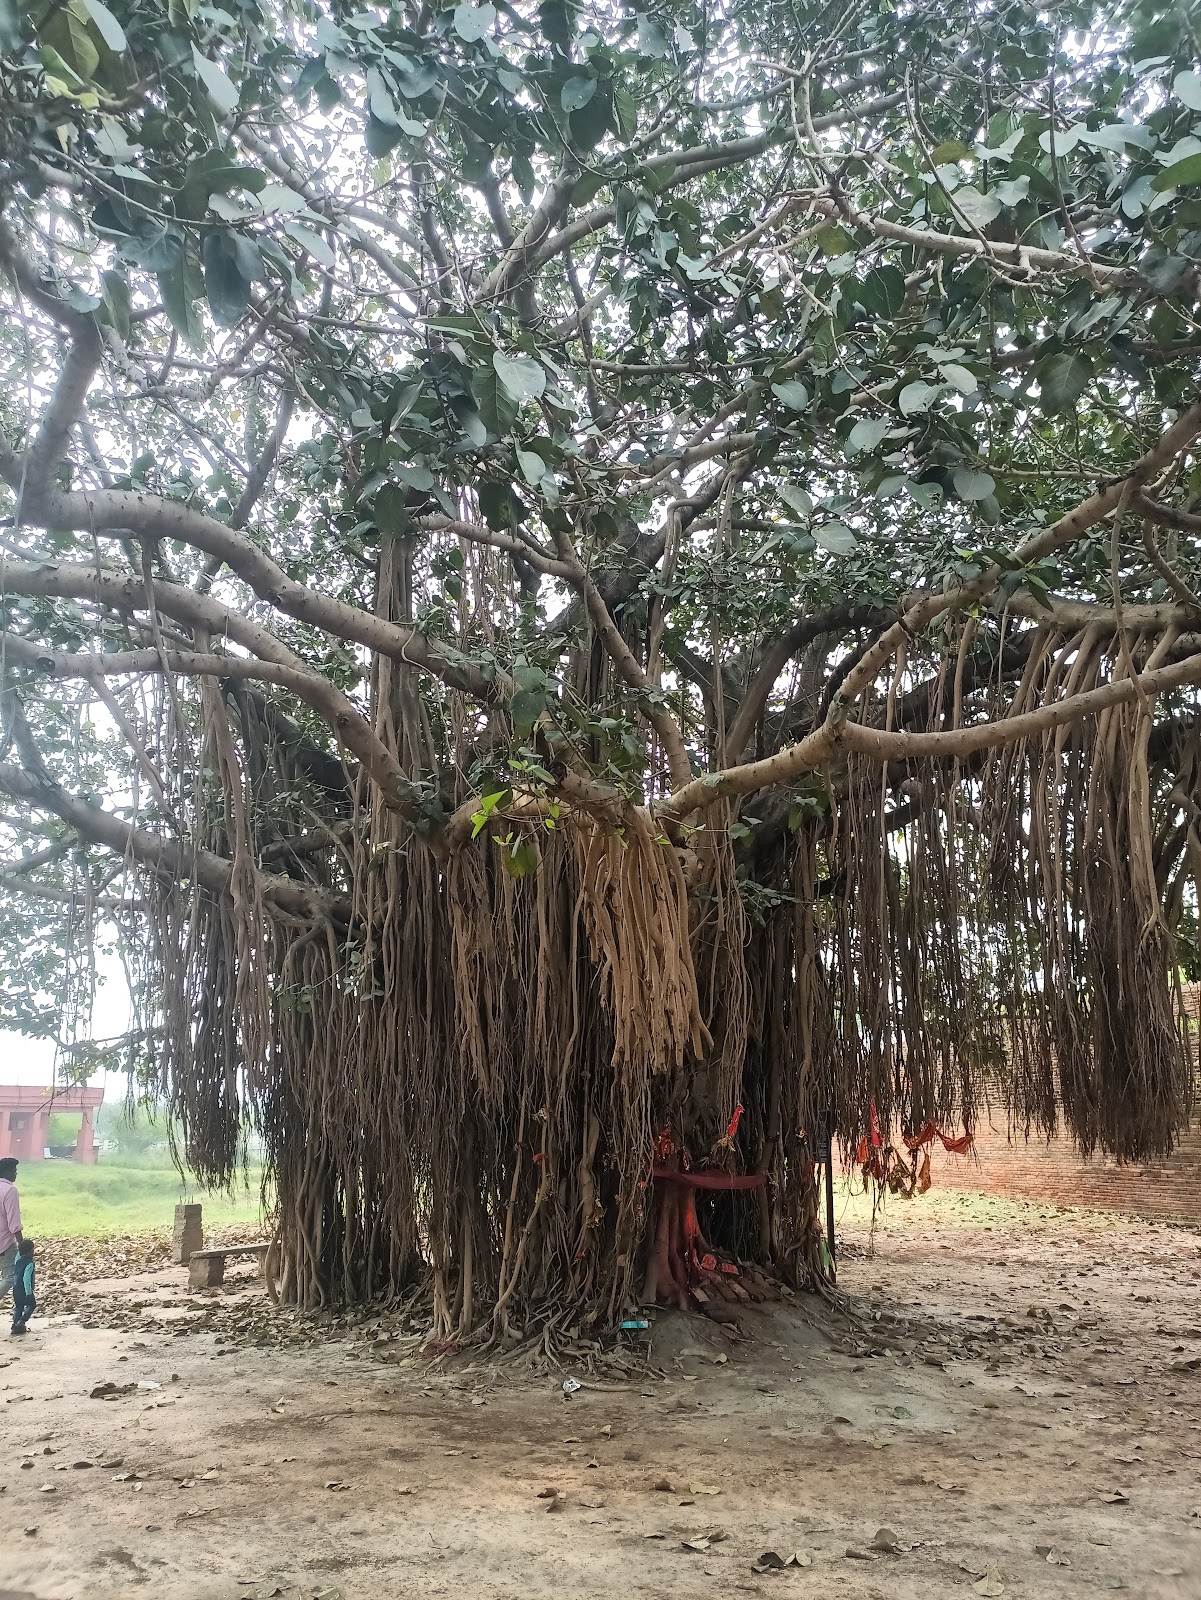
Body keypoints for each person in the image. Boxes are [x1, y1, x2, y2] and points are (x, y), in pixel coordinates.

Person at [0, 1157, 21, 1299]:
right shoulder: (10, 1190)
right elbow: (14, 1222)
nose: (15, 1174)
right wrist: (22, 1244)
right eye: (14, 1170)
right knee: (10, 1277)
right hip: (4, 1242)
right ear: (7, 1172)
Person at [10, 1239, 34, 1335]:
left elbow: (17, 1255)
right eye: (32, 1250)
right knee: (32, 1305)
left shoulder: (17, 1261)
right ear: (29, 1252)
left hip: (15, 1289)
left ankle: (15, 1325)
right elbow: (26, 1279)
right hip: (24, 1290)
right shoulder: (30, 1264)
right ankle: (21, 1322)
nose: (33, 1252)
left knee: (18, 1307)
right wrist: (29, 1293)